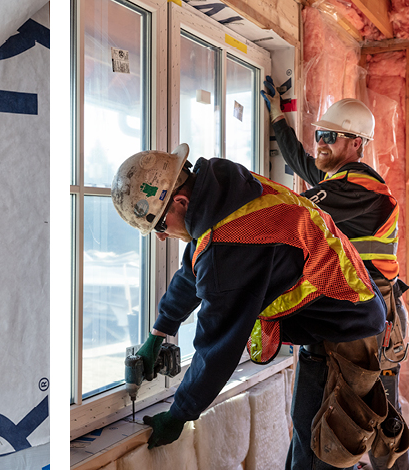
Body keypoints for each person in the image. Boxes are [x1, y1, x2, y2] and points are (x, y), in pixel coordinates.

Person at [111, 145, 406, 469]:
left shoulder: (231, 245)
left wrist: (179, 414)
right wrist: (160, 331)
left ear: (180, 202)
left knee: (329, 451)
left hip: (350, 324)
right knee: (306, 434)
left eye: (159, 226)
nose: (162, 237)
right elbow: (193, 268)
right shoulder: (219, 189)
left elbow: (217, 349)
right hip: (325, 314)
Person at [261, 77, 408, 470]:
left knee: (335, 436)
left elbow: (292, 212)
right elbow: (300, 161)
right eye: (319, 134)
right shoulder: (338, 183)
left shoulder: (359, 190)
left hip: (359, 334)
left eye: (330, 136)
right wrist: (278, 117)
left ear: (356, 143)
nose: (320, 142)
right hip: (352, 325)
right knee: (348, 430)